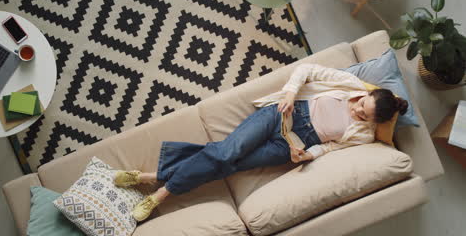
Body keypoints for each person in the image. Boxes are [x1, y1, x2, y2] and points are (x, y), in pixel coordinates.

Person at [113, 63, 408, 221]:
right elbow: (308, 71)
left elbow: (330, 147)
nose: (356, 111)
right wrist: (292, 92)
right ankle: (160, 194)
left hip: (290, 145)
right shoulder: (350, 84)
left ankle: (151, 177)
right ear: (367, 94)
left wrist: (306, 155)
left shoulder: (364, 136)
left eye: (363, 115)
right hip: (282, 114)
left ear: (372, 122)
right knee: (227, 152)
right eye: (361, 104)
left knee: (226, 164)